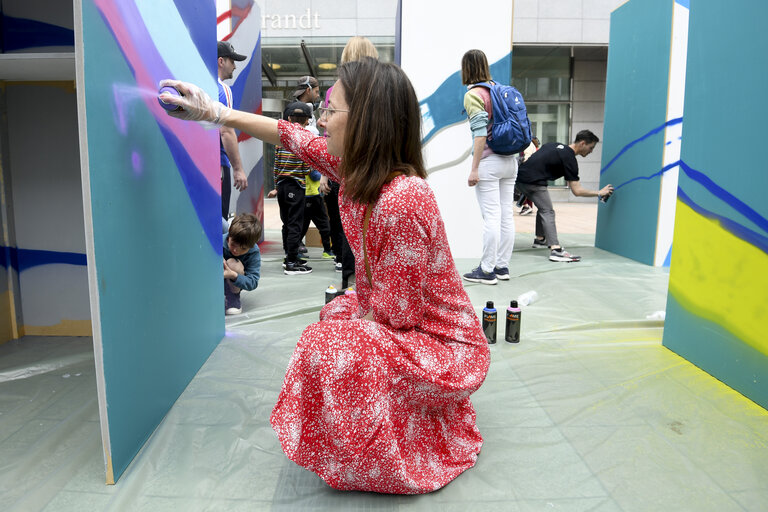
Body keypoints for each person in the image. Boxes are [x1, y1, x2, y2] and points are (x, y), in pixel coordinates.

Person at [159, 58, 490, 494]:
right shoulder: (358, 174)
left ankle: (393, 453)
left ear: (366, 121)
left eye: (332, 111)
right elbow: (289, 135)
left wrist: (346, 334)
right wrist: (214, 114)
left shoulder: (404, 199)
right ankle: (377, 430)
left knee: (332, 341)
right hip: (397, 318)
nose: (322, 120)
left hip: (443, 344)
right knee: (335, 317)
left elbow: (400, 315)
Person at [323, 36, 380, 282]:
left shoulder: (335, 90)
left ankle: (350, 281)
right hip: (374, 171)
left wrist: (326, 171)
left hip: (346, 170)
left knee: (348, 229)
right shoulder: (381, 89)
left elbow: (327, 135)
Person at [460, 49, 519, 285]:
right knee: (506, 215)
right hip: (510, 161)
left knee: (491, 217)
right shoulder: (500, 89)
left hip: (490, 162)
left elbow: (480, 132)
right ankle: (502, 266)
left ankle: (486, 270)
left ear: (466, 68)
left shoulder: (475, 94)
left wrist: (474, 168)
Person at [516, 130, 614, 262]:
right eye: (591, 148)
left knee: (543, 207)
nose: (591, 151)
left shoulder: (554, 145)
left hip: (519, 179)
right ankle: (555, 250)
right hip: (533, 182)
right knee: (548, 211)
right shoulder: (569, 158)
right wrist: (599, 193)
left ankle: (540, 239)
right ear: (582, 143)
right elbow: (577, 191)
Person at [267, 102, 314, 275]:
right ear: (307, 121)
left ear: (288, 118)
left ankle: (289, 256)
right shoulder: (304, 137)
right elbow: (307, 168)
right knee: (295, 224)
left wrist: (276, 186)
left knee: (287, 222)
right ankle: (292, 263)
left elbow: (276, 165)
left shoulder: (282, 139)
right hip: (296, 185)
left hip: (282, 185)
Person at [217, 41, 248, 222]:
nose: (235, 66)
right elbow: (226, 131)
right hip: (218, 165)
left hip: (196, 164)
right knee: (219, 220)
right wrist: (238, 169)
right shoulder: (223, 90)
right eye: (232, 61)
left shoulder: (198, 83)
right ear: (221, 61)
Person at [223, 213, 262, 315]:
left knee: (233, 264)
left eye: (243, 248)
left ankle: (233, 298)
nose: (236, 250)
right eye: (233, 245)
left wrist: (233, 275)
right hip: (213, 282)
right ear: (229, 235)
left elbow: (252, 282)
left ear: (252, 245)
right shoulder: (218, 241)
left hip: (231, 283)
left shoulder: (254, 252)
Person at [301, 169, 335, 259]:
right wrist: (327, 176)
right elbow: (314, 175)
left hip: (314, 195)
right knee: (305, 226)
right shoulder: (309, 159)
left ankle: (327, 250)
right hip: (310, 196)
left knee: (323, 225)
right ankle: (327, 250)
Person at [517, 137, 540, 215]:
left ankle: (526, 206)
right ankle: (528, 207)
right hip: (532, 170)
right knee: (527, 189)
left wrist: (523, 166)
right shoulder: (530, 145)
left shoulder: (528, 144)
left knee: (522, 188)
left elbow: (527, 156)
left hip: (527, 169)